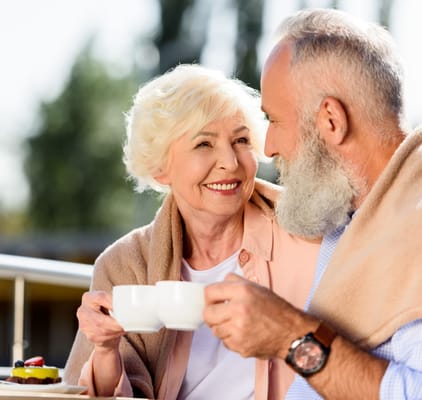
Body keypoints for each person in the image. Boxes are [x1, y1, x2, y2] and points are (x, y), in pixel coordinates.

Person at [63, 63, 323, 399]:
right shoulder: (124, 265)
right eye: (204, 144)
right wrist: (104, 350)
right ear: (160, 169)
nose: (230, 162)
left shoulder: (309, 233)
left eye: (241, 139)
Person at [204, 8, 422, 400]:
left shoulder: (414, 228)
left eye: (275, 121)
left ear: (331, 121)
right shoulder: (351, 217)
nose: (268, 148)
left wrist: (288, 335)